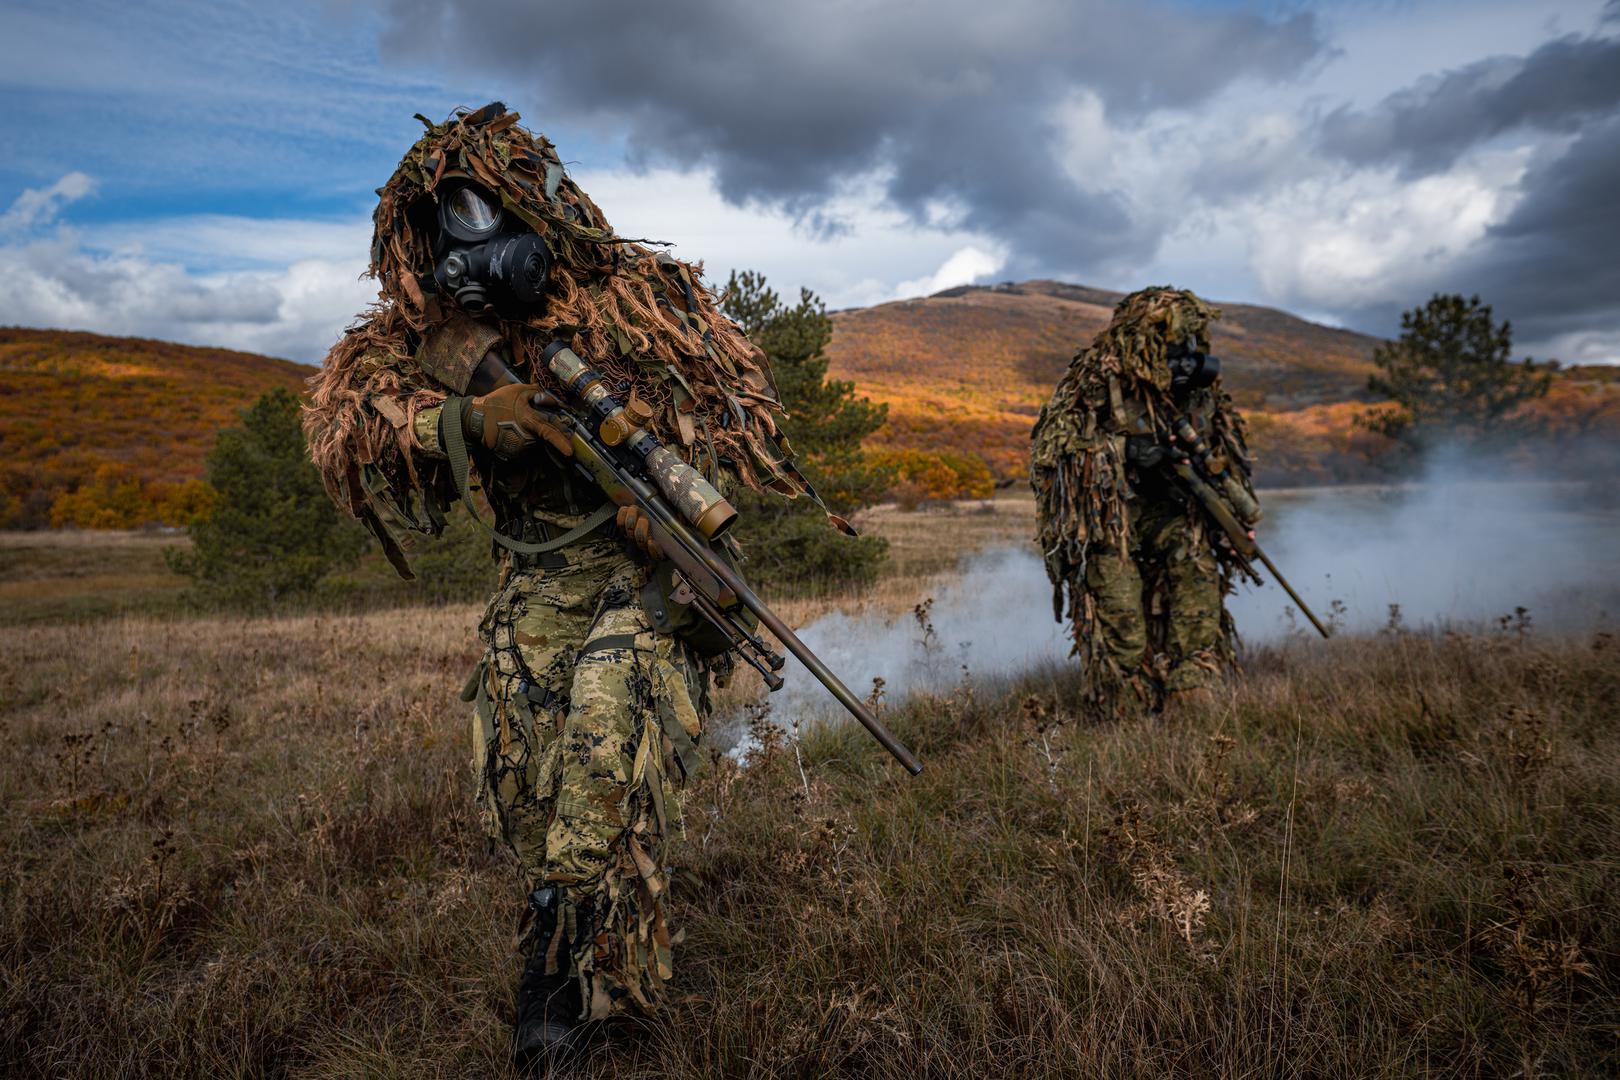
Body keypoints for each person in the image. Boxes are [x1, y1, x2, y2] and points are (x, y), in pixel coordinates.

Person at [302, 103, 824, 1070]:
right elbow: (347, 426)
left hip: (642, 576)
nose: (472, 259)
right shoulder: (424, 335)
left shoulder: (641, 300)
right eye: (447, 234)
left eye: (488, 221)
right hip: (533, 588)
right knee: (526, 801)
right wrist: (464, 422)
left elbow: (715, 414)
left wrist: (639, 491)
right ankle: (596, 971)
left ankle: (565, 1006)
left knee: (601, 771)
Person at [1030, 287, 1261, 716]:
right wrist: (1123, 453)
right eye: (1167, 338)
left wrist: (1230, 516)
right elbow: (1053, 454)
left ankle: (1191, 689)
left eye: (1188, 339)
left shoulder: (1197, 390)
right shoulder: (1095, 380)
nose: (1181, 351)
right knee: (1119, 610)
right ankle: (1125, 702)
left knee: (1195, 573)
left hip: (1172, 510)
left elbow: (1223, 455)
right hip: (1111, 518)